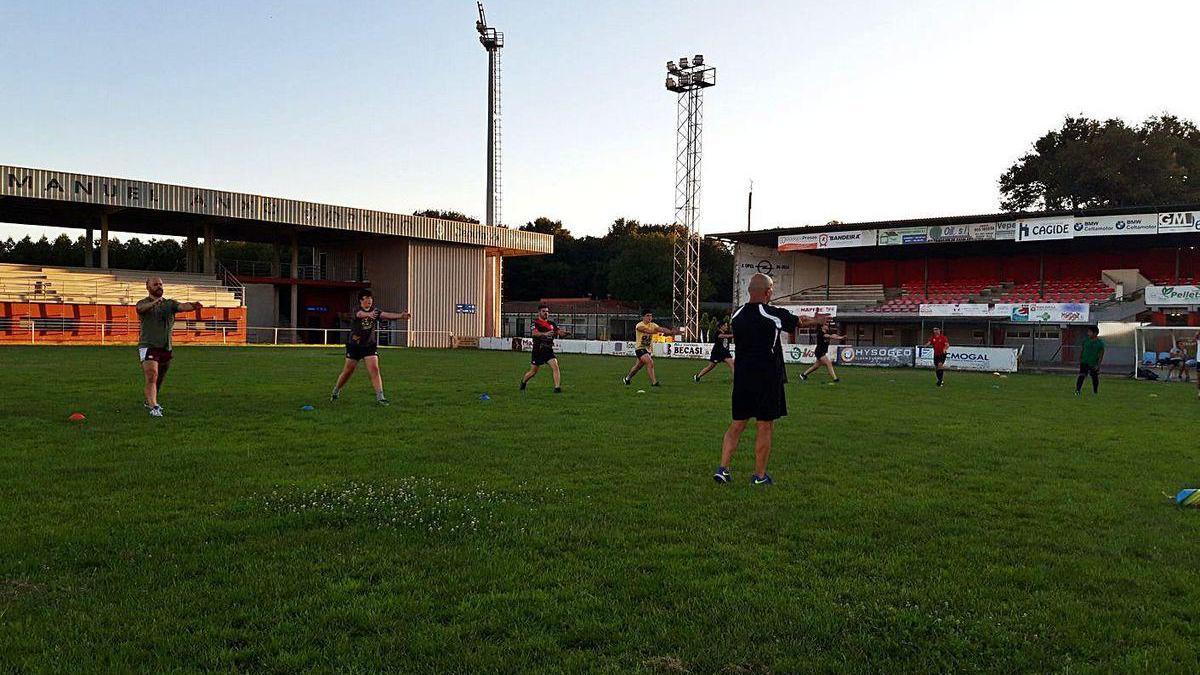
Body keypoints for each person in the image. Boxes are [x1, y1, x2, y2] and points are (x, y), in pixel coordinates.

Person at [714, 273, 826, 486]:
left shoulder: (736, 315)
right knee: (764, 426)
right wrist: (817, 320)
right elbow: (799, 322)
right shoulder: (773, 314)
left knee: (737, 425)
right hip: (767, 378)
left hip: (742, 377)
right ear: (767, 292)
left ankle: (723, 469)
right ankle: (760, 475)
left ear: (749, 291)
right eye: (772, 289)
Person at [136, 277, 204, 418]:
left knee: (159, 378)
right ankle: (154, 407)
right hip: (148, 346)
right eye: (155, 284)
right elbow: (140, 309)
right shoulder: (143, 303)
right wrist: (155, 302)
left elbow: (182, 306)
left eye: (160, 284)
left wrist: (193, 305)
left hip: (166, 347)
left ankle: (149, 400)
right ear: (147, 287)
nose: (159, 286)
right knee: (152, 375)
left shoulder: (169, 304)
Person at [331, 289, 411, 405]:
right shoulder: (356, 310)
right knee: (348, 371)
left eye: (370, 298)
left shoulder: (375, 311)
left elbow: (386, 314)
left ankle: (380, 397)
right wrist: (368, 314)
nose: (369, 301)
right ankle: (336, 390)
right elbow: (360, 314)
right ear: (361, 300)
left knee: (374, 369)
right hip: (355, 346)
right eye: (366, 298)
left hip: (369, 346)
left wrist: (401, 316)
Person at [623, 310, 683, 387]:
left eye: (651, 316)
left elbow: (661, 329)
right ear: (643, 317)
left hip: (648, 349)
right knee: (650, 362)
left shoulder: (653, 325)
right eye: (647, 316)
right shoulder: (639, 325)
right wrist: (658, 332)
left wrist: (671, 332)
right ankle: (654, 382)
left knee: (637, 367)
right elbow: (646, 330)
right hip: (640, 348)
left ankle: (627, 379)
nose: (650, 317)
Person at [520, 304, 569, 393]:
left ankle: (557, 388)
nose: (546, 313)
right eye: (544, 311)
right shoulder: (535, 323)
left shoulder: (552, 324)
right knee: (533, 372)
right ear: (539, 312)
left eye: (547, 311)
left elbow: (558, 332)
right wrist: (544, 334)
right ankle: (523, 382)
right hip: (538, 351)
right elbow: (534, 333)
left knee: (555, 366)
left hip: (548, 350)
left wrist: (564, 333)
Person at [1075, 325, 1105, 395]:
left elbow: (1101, 354)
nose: (1088, 333)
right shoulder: (1086, 341)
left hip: (1093, 363)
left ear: (1095, 333)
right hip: (1084, 362)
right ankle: (1077, 391)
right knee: (1081, 376)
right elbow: (1082, 350)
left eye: (1090, 332)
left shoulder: (1100, 343)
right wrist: (1080, 358)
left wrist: (1098, 365)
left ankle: (1095, 391)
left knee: (1094, 377)